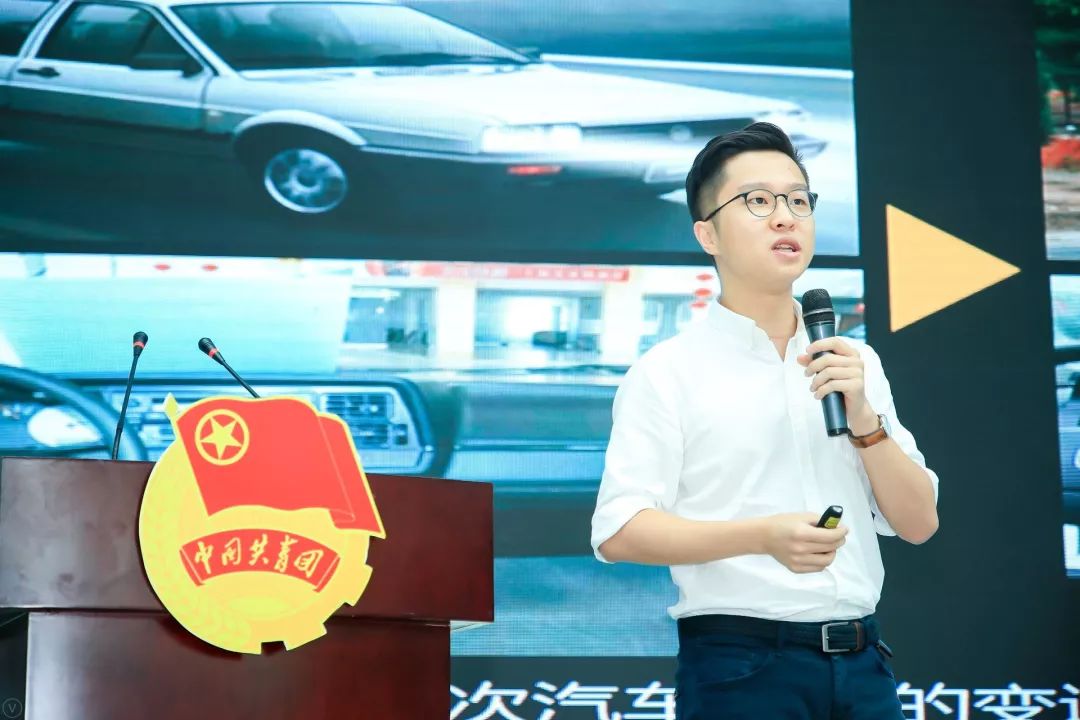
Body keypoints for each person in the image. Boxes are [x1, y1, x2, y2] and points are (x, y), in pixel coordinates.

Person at [590, 122, 939, 719]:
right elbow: (619, 531)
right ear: (708, 233)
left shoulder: (853, 363)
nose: (785, 218)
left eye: (798, 201)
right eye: (758, 201)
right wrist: (761, 536)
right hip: (741, 667)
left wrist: (865, 419)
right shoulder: (668, 371)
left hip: (863, 666)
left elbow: (919, 522)